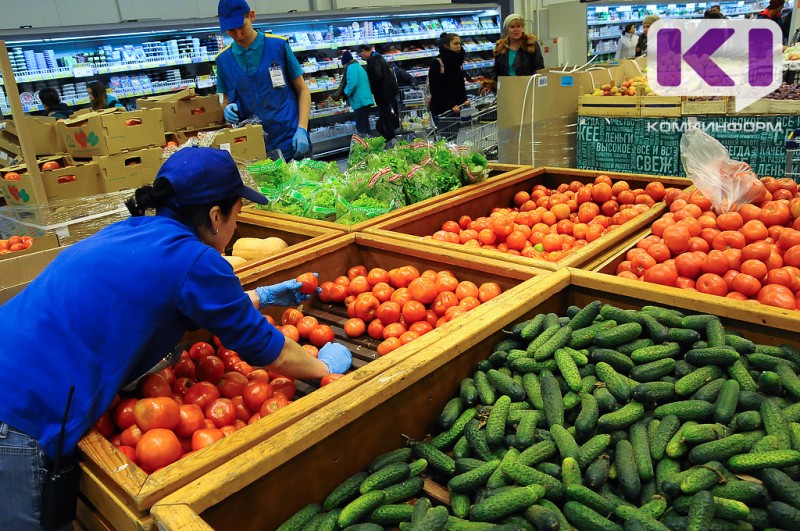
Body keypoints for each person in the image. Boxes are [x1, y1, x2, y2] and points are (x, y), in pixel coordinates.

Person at [0, 147, 352, 529]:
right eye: (238, 215)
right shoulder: (194, 259)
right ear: (216, 216)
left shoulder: (131, 231)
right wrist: (323, 368)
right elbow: (266, 348)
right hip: (20, 412)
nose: (236, 228)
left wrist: (261, 296)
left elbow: (171, 301)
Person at [216, 0, 312, 160]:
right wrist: (226, 110)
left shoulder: (278, 46)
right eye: (231, 30)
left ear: (251, 16)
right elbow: (225, 100)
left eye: (241, 26)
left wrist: (302, 128)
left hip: (291, 139)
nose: (238, 35)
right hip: (253, 147)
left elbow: (303, 89)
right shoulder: (223, 60)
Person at [482, 14, 544, 93]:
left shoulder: (531, 45)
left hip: (527, 89)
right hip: (507, 90)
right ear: (507, 30)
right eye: (512, 27)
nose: (516, 30)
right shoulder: (501, 47)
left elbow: (539, 68)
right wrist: (490, 85)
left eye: (518, 26)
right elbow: (497, 72)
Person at [427, 32, 469, 141]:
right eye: (455, 43)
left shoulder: (458, 62)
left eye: (460, 43)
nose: (459, 46)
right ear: (446, 45)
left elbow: (460, 84)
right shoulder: (438, 63)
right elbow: (435, 90)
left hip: (455, 107)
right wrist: (451, 105)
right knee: (445, 138)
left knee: (452, 137)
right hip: (441, 108)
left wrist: (464, 99)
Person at [358, 44, 399, 142]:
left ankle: (390, 138)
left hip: (383, 93)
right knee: (386, 116)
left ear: (364, 51)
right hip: (388, 92)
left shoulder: (374, 60)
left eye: (360, 55)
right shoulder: (378, 57)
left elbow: (376, 77)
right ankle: (389, 136)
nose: (361, 58)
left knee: (386, 116)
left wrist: (370, 87)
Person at [339, 51, 375, 137]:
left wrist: (345, 94)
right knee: (365, 125)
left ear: (345, 63)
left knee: (361, 127)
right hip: (365, 99)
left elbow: (352, 83)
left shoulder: (351, 68)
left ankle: (365, 147)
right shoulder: (358, 66)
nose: (343, 67)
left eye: (343, 65)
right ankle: (371, 145)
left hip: (360, 101)